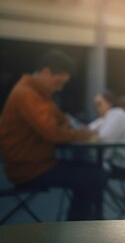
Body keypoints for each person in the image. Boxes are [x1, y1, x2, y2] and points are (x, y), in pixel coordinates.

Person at [0, 50, 107, 221]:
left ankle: (80, 223)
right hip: (28, 169)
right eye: (58, 83)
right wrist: (81, 134)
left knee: (91, 172)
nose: (59, 88)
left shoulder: (39, 94)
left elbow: (62, 120)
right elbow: (52, 133)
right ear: (46, 72)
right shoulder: (27, 94)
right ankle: (77, 228)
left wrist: (72, 129)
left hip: (37, 163)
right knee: (95, 176)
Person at [89, 90, 125, 217]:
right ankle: (93, 213)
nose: (96, 107)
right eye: (95, 104)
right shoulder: (107, 117)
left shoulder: (117, 114)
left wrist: (89, 135)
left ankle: (94, 214)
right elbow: (87, 131)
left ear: (109, 103)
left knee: (90, 173)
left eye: (99, 103)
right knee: (89, 171)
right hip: (115, 161)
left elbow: (103, 138)